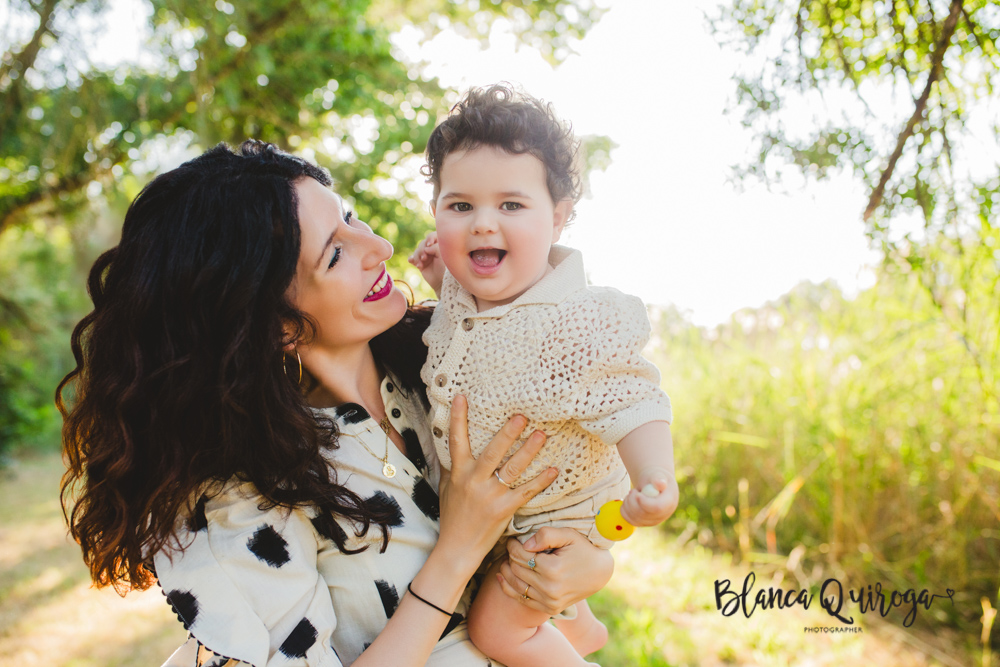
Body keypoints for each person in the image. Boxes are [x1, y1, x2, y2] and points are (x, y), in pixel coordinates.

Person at [57, 139, 615, 667]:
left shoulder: (446, 368)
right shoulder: (245, 498)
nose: (380, 248)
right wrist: (457, 550)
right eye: (335, 254)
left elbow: (576, 491)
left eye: (349, 217)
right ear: (277, 325)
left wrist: (590, 562)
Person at [408, 84, 679, 667]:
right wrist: (439, 280)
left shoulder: (577, 321)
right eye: (460, 206)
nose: (483, 224)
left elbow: (634, 399)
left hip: (558, 517)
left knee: (495, 630)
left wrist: (654, 475)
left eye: (511, 205)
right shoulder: (464, 294)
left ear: (557, 218)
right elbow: (472, 336)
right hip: (495, 513)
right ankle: (577, 629)